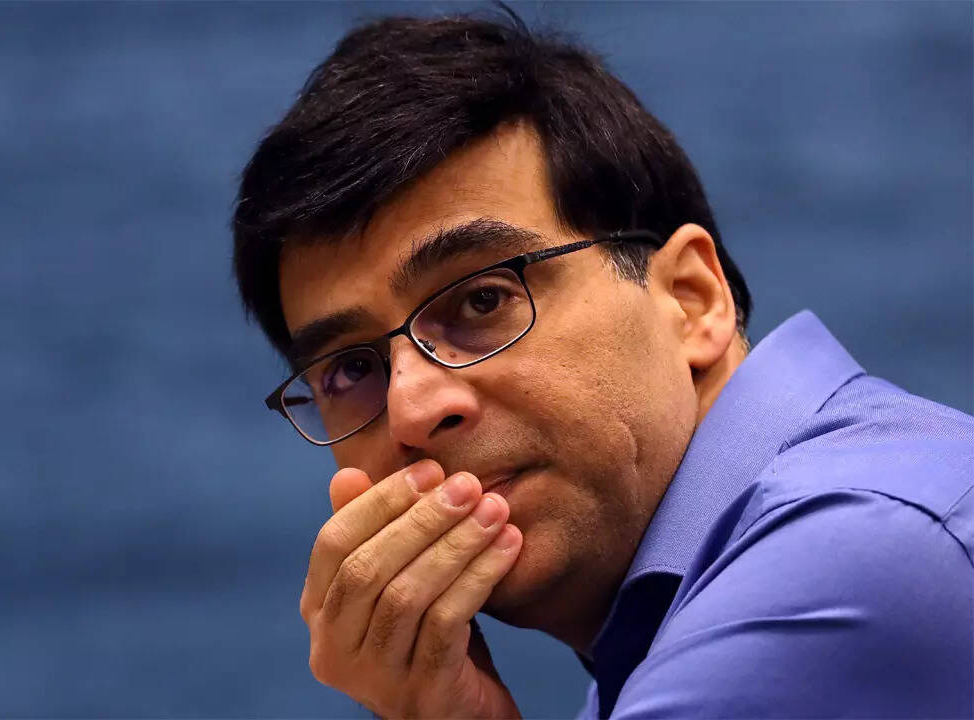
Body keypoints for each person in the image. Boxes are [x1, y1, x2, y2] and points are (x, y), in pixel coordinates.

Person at [231, 11, 973, 719]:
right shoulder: (671, 633)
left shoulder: (840, 567)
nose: (414, 410)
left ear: (691, 299)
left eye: (483, 301)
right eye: (352, 370)